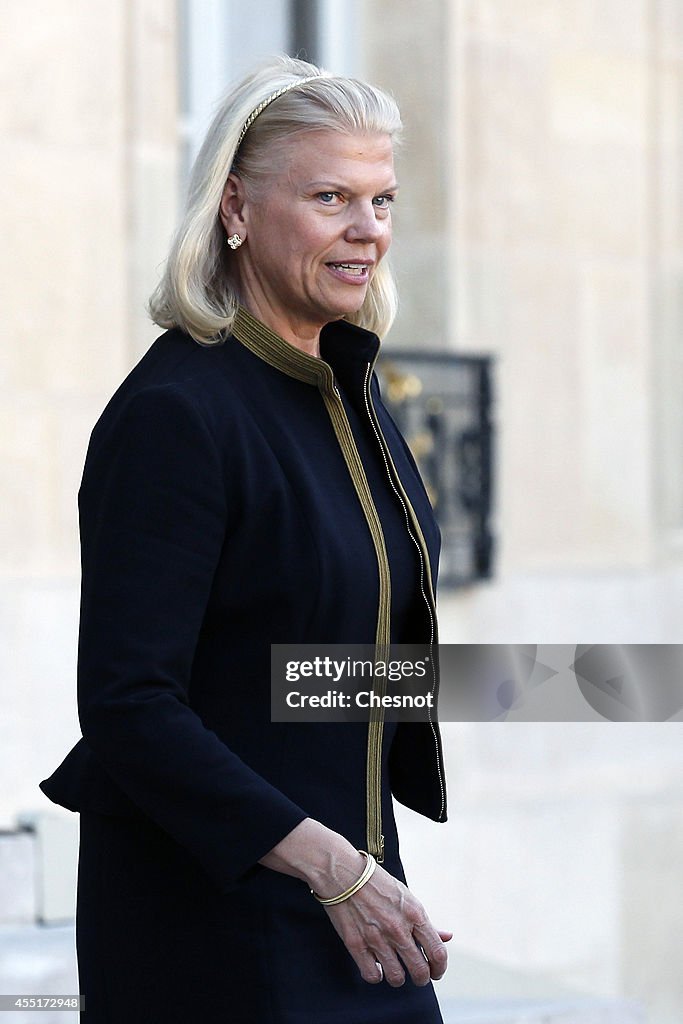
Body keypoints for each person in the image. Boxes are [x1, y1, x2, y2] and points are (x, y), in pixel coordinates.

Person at [39, 55, 451, 1023]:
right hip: (214, 929)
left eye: (382, 199)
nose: (368, 231)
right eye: (329, 196)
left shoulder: (345, 388)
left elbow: (297, 666)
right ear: (233, 207)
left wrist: (590, 680)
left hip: (357, 907)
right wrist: (331, 866)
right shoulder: (177, 413)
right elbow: (131, 703)